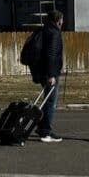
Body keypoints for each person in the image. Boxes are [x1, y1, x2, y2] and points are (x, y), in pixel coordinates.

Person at [25, 10, 65, 142]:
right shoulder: (54, 33)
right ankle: (45, 132)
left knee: (47, 100)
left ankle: (42, 127)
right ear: (58, 20)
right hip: (49, 73)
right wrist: (52, 75)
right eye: (62, 20)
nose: (62, 22)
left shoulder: (43, 30)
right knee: (50, 102)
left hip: (41, 71)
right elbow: (52, 55)